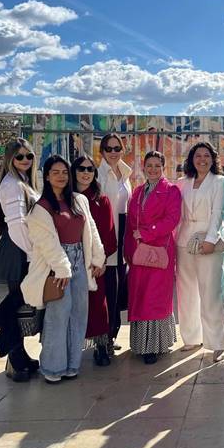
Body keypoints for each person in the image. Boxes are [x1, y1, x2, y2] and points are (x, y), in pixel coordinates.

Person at [22, 156, 105, 383]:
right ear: (46, 176)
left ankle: (71, 364)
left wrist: (98, 257)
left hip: (80, 260)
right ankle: (52, 367)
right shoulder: (40, 208)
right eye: (55, 172)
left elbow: (91, 230)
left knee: (79, 314)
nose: (61, 176)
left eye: (64, 172)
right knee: (58, 316)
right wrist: (62, 269)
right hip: (56, 267)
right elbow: (47, 243)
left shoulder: (78, 200)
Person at [0, 138, 40, 382]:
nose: (25, 160)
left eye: (28, 156)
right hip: (18, 251)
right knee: (17, 301)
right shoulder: (12, 184)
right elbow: (17, 224)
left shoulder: (23, 181)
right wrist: (32, 254)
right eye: (19, 156)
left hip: (20, 250)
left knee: (21, 302)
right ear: (10, 158)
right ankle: (13, 354)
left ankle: (18, 355)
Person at [124, 151, 181, 364]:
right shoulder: (138, 191)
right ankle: (141, 344)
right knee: (140, 295)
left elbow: (172, 219)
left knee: (155, 297)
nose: (153, 169)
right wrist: (129, 251)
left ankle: (155, 346)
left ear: (163, 167)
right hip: (140, 253)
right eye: (149, 165)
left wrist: (148, 233)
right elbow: (131, 223)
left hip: (159, 251)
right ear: (143, 167)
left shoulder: (171, 191)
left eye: (158, 165)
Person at [176, 142, 224, 363]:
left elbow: (218, 212)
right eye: (198, 155)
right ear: (191, 159)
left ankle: (217, 343)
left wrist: (210, 239)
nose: (202, 159)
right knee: (186, 292)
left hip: (210, 241)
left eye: (207, 155)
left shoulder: (220, 182)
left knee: (212, 292)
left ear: (213, 158)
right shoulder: (182, 183)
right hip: (184, 241)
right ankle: (191, 337)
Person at [72, 155, 118, 367]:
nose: (85, 172)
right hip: (69, 262)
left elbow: (109, 236)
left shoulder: (102, 200)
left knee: (99, 306)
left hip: (95, 264)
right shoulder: (65, 200)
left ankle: (101, 345)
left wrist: (100, 262)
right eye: (81, 168)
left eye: (90, 169)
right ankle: (70, 347)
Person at [97, 133, 132, 355]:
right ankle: (102, 341)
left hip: (122, 241)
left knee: (118, 293)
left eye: (116, 147)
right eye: (108, 148)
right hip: (106, 241)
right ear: (102, 151)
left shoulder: (125, 173)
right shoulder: (98, 174)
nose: (113, 152)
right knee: (106, 293)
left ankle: (112, 335)